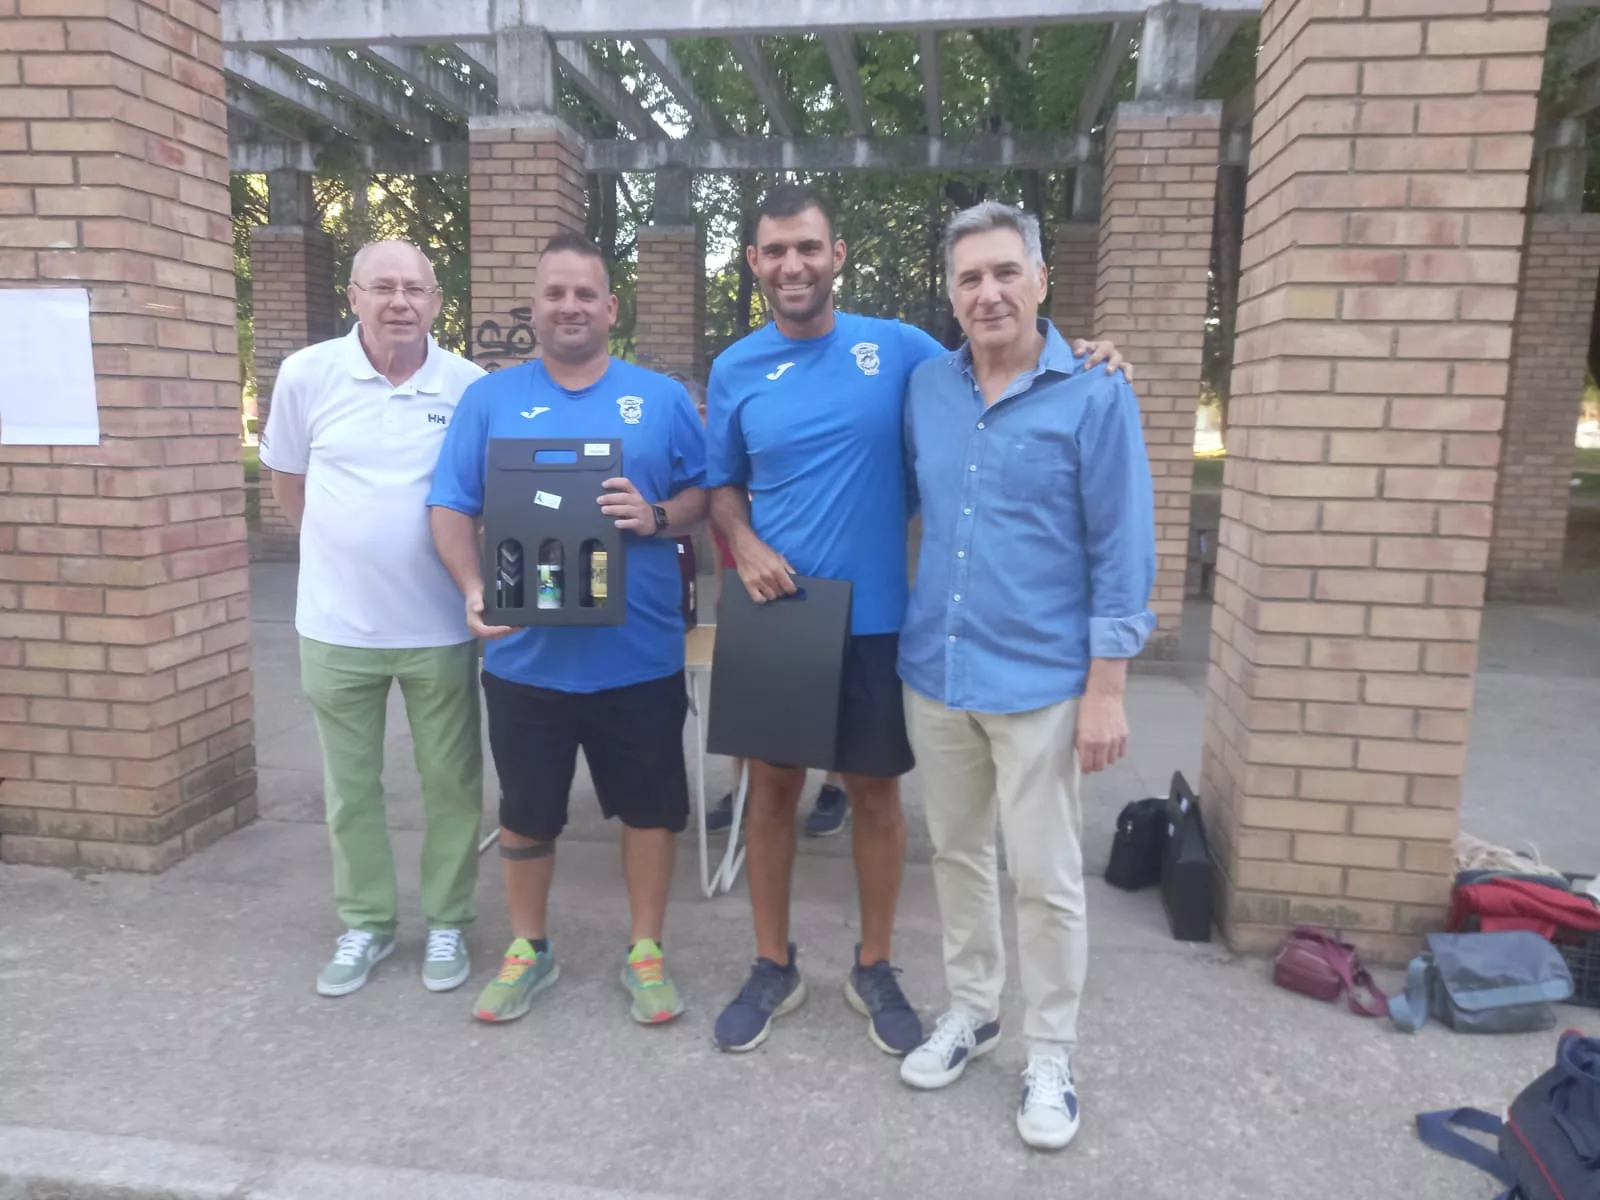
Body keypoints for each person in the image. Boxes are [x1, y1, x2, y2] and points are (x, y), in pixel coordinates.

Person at [703, 184, 1131, 1056]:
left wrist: (1091, 352)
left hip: (879, 620)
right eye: (776, 251)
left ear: (838, 256)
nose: (793, 265)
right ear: (754, 262)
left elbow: (1001, 359)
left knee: (876, 798)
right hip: (778, 616)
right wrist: (741, 540)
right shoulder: (735, 367)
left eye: (809, 248)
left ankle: (875, 964)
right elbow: (721, 483)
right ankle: (771, 963)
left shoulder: (901, 352)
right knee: (774, 795)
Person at [895, 202, 1156, 1151]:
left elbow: (1122, 549)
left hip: (1044, 680)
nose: (988, 292)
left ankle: (1052, 1049)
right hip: (937, 670)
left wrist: (1109, 688)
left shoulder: (1095, 391)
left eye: (1006, 272)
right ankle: (974, 1009)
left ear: (1042, 280)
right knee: (957, 857)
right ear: (953, 294)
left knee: (1046, 879)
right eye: (969, 278)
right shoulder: (925, 385)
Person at [427, 231, 708, 1027]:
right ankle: (529, 949)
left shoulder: (657, 399)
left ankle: (645, 950)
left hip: (639, 655)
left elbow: (701, 496)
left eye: (586, 293)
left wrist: (655, 515)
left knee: (651, 811)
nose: (570, 306)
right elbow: (451, 504)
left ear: (611, 307)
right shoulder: (490, 399)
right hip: (528, 658)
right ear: (534, 307)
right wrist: (475, 587)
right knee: (527, 811)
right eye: (555, 293)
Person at [261, 240, 486, 999]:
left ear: (436, 301)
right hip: (335, 627)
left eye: (415, 289)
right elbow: (288, 483)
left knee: (450, 784)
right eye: (382, 287)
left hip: (440, 627)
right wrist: (341, 550)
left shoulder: (469, 385)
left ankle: (449, 919)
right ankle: (367, 923)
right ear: (352, 295)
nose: (400, 302)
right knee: (349, 788)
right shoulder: (307, 374)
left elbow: (483, 497)